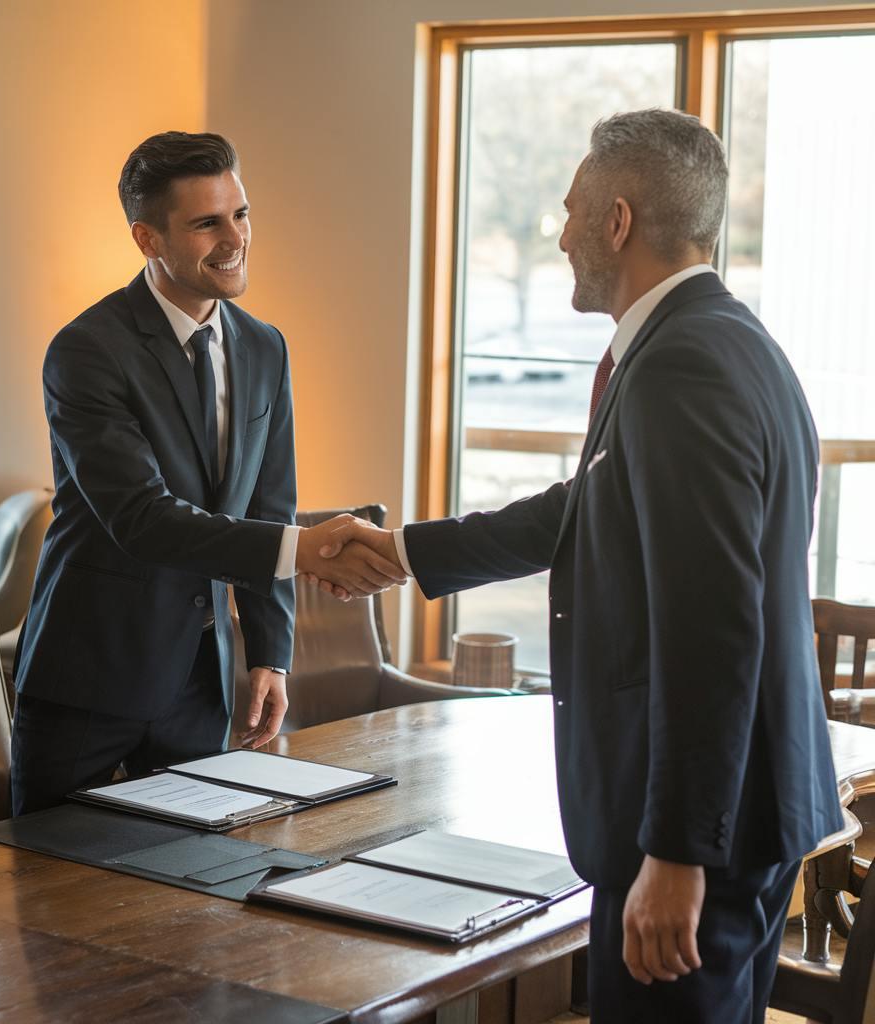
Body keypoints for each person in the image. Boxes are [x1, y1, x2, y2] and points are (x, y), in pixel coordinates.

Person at [315, 110, 841, 1023]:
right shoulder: (723, 342)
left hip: (694, 843)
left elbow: (711, 628)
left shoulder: (684, 366)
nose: (557, 235)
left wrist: (675, 855)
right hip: (738, 819)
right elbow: (583, 508)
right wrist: (402, 552)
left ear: (618, 221)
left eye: (569, 211)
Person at [11, 131, 402, 815]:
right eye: (207, 223)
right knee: (44, 892)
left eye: (241, 214)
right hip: (87, 679)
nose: (235, 238)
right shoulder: (86, 351)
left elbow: (269, 504)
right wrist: (306, 550)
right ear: (148, 238)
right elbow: (142, 518)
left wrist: (270, 653)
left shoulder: (264, 346)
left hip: (202, 682)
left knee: (192, 898)